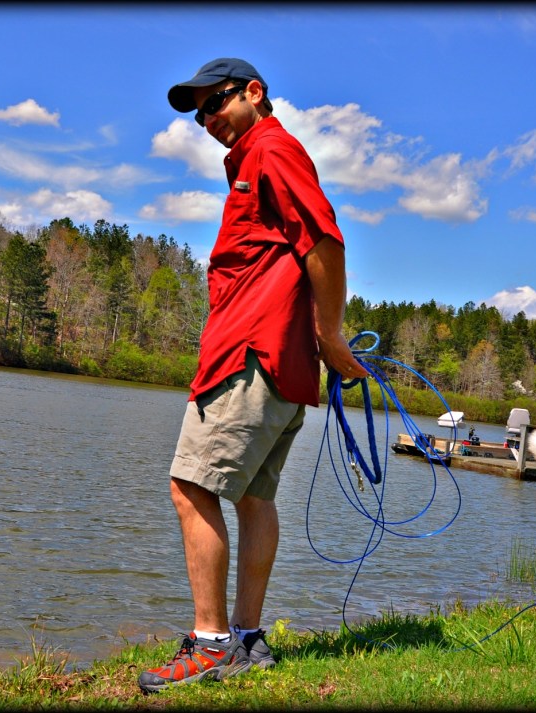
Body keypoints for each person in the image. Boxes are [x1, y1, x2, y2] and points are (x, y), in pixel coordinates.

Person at [139, 57, 368, 694]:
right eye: (199, 113)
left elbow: (325, 241)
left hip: (251, 357)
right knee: (253, 496)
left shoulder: (270, 150)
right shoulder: (254, 159)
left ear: (255, 93)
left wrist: (328, 335)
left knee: (190, 487)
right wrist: (318, 346)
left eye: (216, 103)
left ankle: (211, 644)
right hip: (279, 366)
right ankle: (244, 636)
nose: (208, 119)